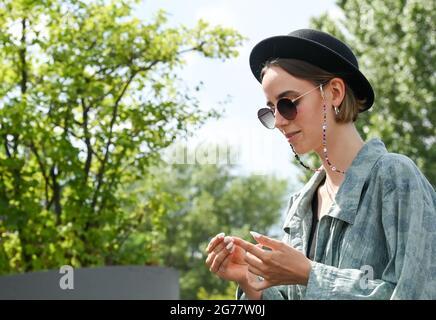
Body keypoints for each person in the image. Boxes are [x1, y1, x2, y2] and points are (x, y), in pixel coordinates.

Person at [205, 29, 436, 299]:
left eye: (287, 103)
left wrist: (310, 274)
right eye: (270, 110)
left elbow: (420, 292)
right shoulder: (299, 206)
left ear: (335, 92)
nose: (279, 121)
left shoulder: (394, 177)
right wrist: (249, 280)